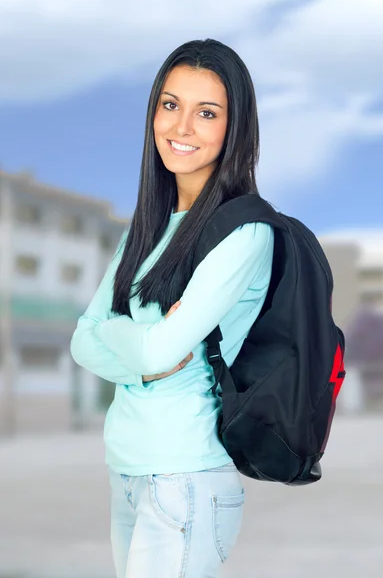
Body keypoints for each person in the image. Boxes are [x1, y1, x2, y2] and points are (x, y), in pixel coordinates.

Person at [70, 38, 275, 578]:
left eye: (206, 113)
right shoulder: (149, 227)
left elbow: (154, 345)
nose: (181, 128)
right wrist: (142, 355)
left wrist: (130, 344)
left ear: (236, 128)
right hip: (128, 471)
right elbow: (82, 339)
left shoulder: (244, 231)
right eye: (170, 105)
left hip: (186, 477)